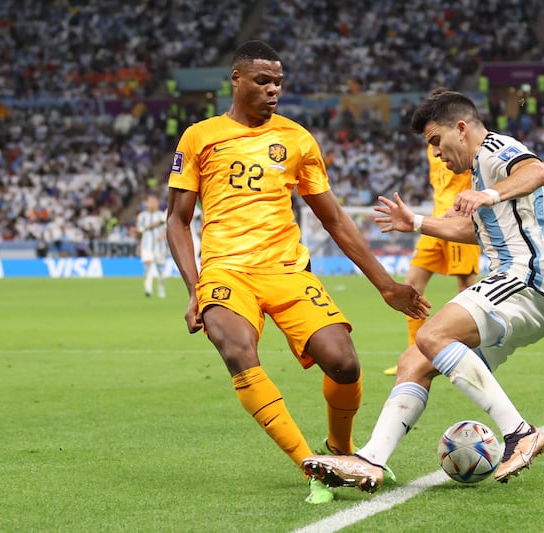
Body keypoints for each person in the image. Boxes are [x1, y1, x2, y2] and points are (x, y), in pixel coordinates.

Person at [165, 40, 429, 505]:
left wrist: (386, 284)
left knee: (344, 362)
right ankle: (313, 468)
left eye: (278, 82)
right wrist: (194, 288)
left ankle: (341, 452)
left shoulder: (298, 139)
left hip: (286, 270)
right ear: (236, 79)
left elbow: (335, 219)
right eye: (263, 81)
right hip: (226, 271)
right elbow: (177, 220)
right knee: (237, 351)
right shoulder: (199, 137)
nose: (273, 90)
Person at [303, 89, 544, 492]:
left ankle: (520, 433)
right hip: (522, 286)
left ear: (461, 129)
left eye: (436, 143)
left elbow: (537, 171)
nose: (437, 154)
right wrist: (415, 223)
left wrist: (488, 194)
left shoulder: (496, 148)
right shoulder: (479, 170)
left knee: (431, 334)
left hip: (527, 277)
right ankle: (371, 460)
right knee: (415, 359)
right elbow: (472, 230)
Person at [383, 143, 481, 376]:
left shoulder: (463, 143)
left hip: (459, 223)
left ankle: (473, 358)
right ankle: (413, 355)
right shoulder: (431, 148)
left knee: (467, 288)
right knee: (412, 286)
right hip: (434, 223)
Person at [136, 193, 168, 298]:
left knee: (160, 269)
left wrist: (163, 235)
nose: (151, 204)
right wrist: (139, 244)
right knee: (147, 266)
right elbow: (139, 232)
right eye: (149, 202)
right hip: (147, 246)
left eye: (153, 202)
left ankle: (161, 287)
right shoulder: (142, 216)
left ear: (157, 203)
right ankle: (148, 289)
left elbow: (167, 229)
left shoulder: (162, 215)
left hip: (160, 246)